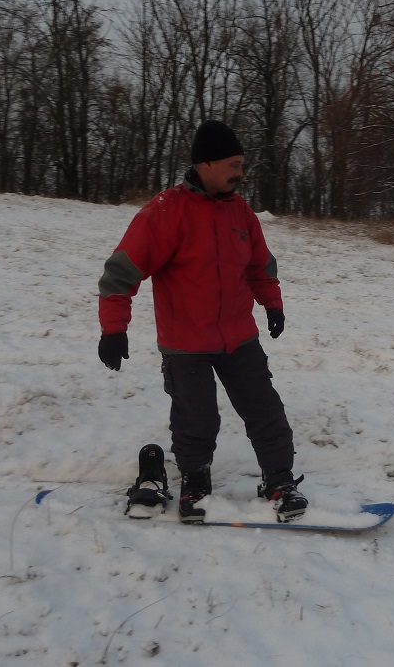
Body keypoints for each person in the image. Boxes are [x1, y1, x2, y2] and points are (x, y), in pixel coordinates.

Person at [97, 119, 308, 524]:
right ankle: (195, 481)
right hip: (186, 342)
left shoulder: (240, 212)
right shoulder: (165, 212)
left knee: (265, 409)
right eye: (233, 165)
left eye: (241, 164)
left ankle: (279, 479)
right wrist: (113, 329)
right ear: (206, 164)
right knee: (196, 418)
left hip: (239, 337)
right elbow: (120, 274)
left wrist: (272, 304)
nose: (240, 173)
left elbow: (260, 265)